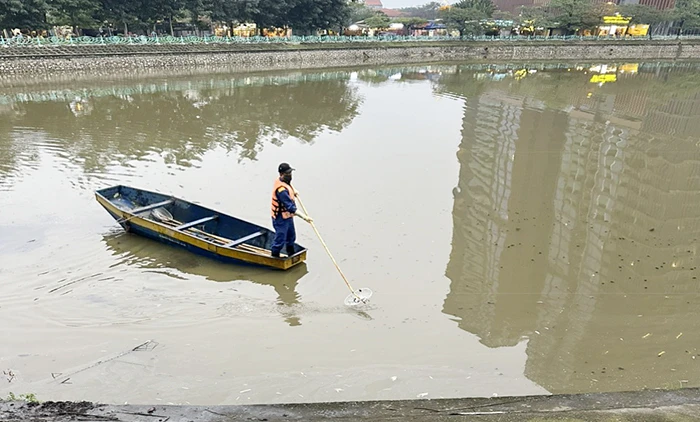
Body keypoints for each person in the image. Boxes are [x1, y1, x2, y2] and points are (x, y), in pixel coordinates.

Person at [270, 163, 312, 258]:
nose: (289, 175)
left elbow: (288, 185)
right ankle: (274, 257)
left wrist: (294, 191)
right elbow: (291, 208)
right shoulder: (281, 191)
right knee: (280, 239)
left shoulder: (283, 181)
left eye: (290, 173)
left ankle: (291, 255)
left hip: (288, 217)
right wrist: (304, 217)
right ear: (281, 174)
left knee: (291, 237)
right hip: (280, 218)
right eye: (287, 173)